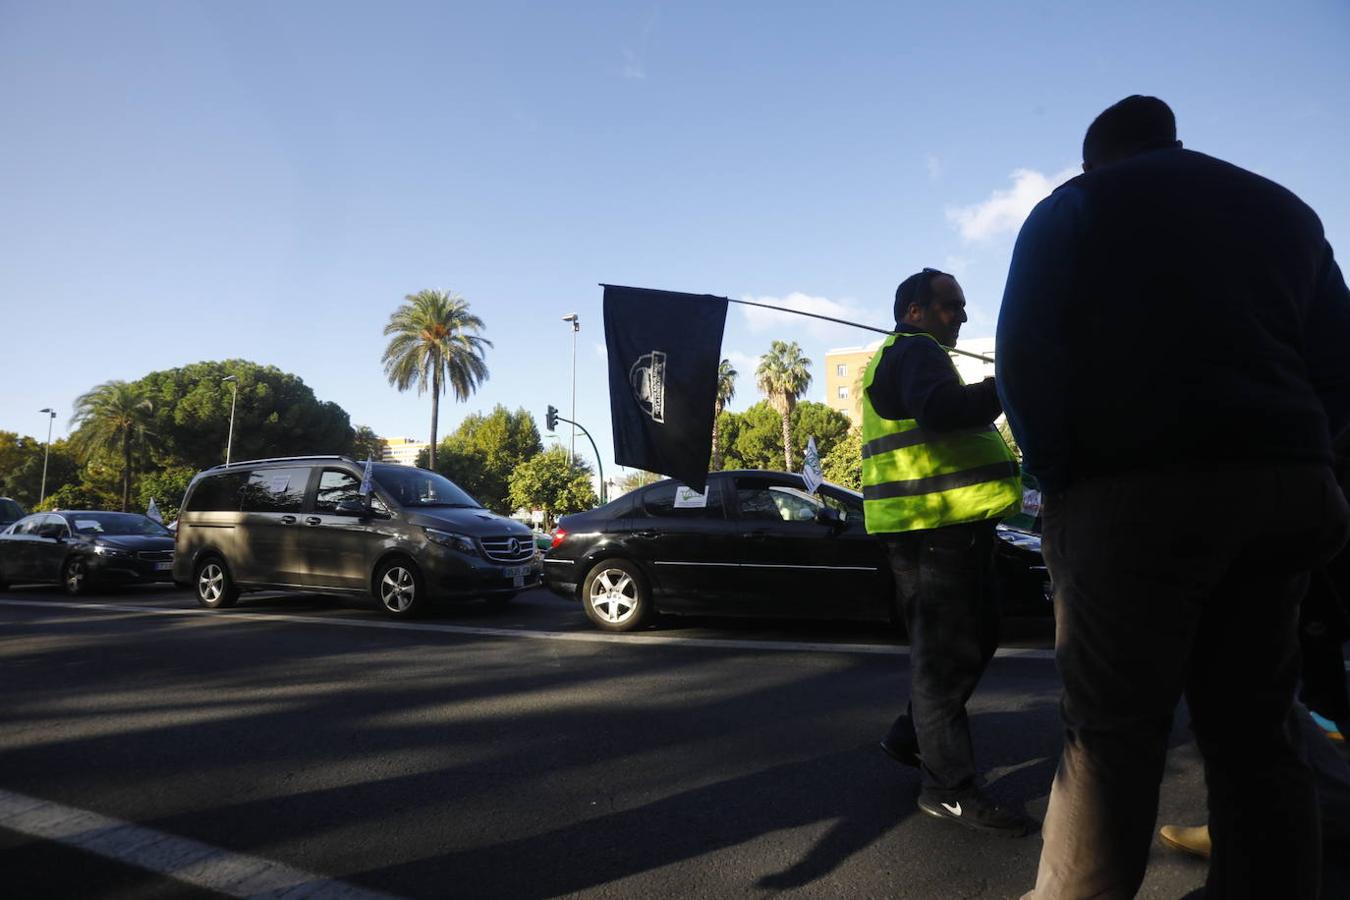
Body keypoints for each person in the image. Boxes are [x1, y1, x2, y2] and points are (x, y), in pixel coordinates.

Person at [997, 95, 1350, 898]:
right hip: (1286, 495)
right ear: (1171, 140)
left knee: (1111, 738)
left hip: (1133, 496)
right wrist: (1298, 449)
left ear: (1094, 157)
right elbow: (1338, 361)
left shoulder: (1073, 208)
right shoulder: (1285, 211)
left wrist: (1060, 479)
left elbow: (1024, 357)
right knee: (1259, 732)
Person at [861, 267, 1034, 837]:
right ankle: (948, 789)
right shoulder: (915, 352)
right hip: (934, 530)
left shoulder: (905, 353)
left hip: (937, 528)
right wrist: (1009, 384)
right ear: (915, 311)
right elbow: (940, 411)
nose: (961, 315)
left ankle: (911, 736)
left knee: (974, 639)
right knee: (943, 661)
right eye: (950, 306)